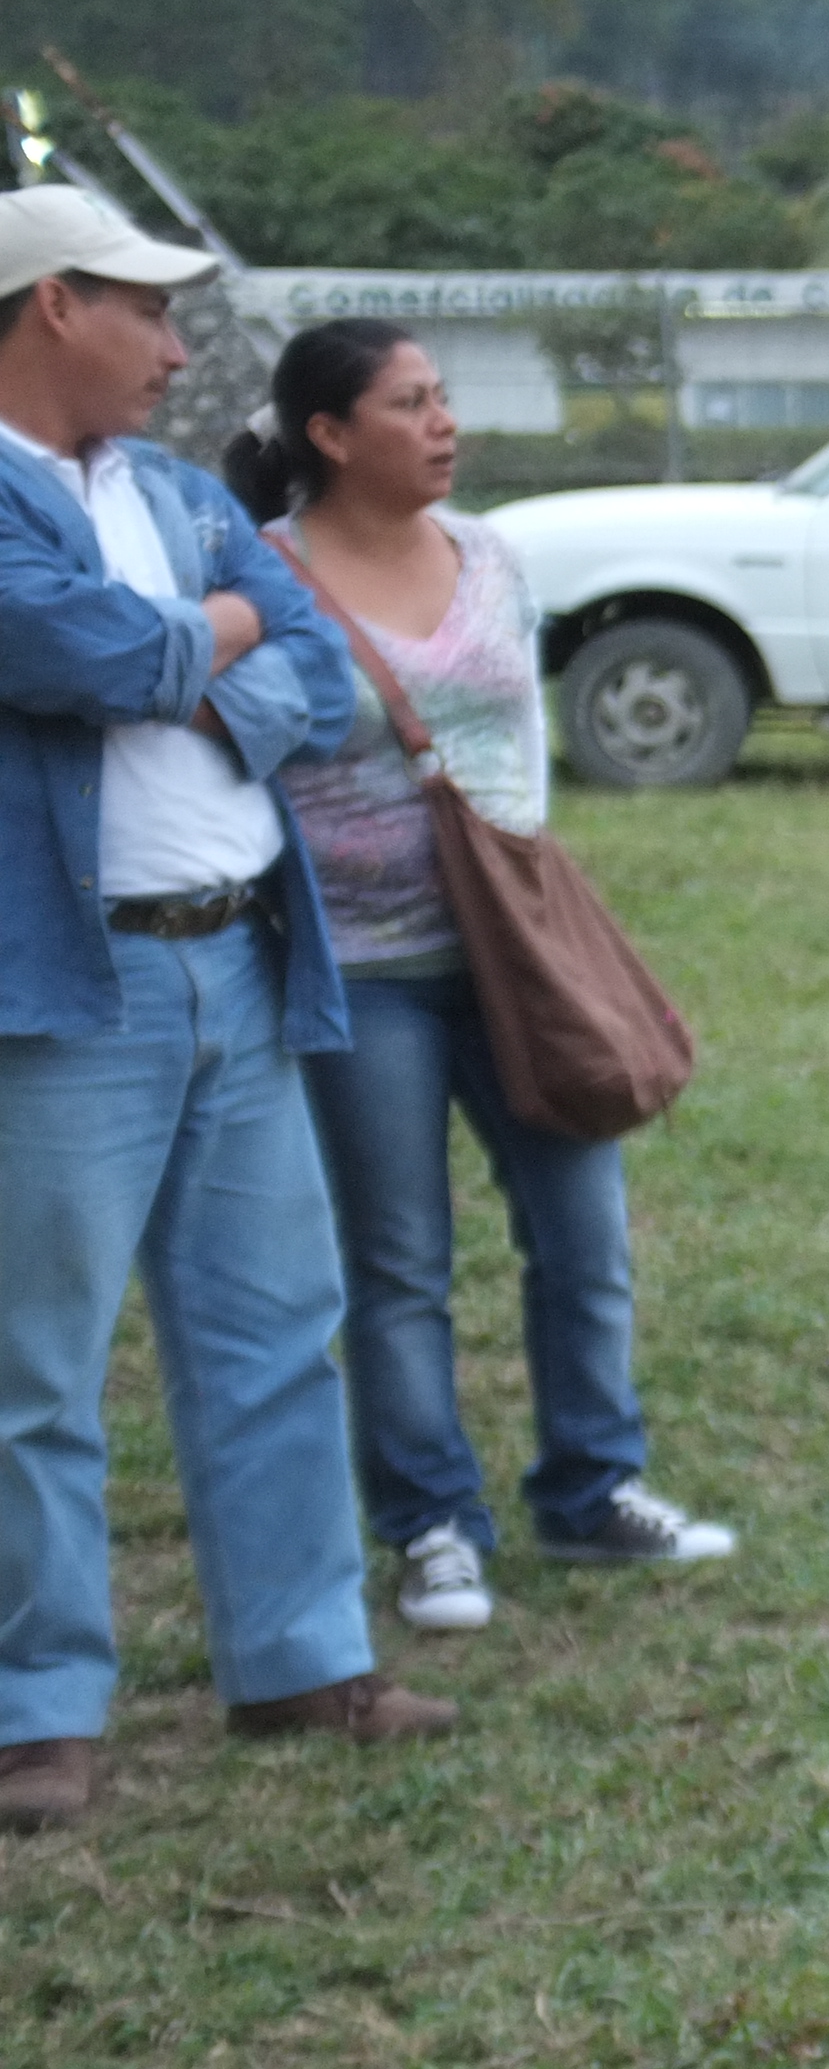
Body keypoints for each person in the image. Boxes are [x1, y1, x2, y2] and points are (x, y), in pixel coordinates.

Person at [0, 187, 456, 1841]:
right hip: (71, 985)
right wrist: (212, 635)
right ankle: (37, 1715)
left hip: (240, 960)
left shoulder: (182, 493)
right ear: (55, 303)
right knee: (36, 1364)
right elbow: (79, 651)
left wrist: (192, 649)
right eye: (146, 311)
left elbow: (319, 678)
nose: (179, 351)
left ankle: (302, 1662)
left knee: (274, 1325)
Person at [229, 321, 736, 1639]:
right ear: (330, 435)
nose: (445, 422)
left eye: (443, 397)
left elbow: (521, 744)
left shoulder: (491, 555)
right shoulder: (262, 572)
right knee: (400, 1262)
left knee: (584, 1239)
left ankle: (592, 1489)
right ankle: (433, 1525)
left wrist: (525, 891)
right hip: (365, 969)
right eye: (410, 403)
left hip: (521, 960)